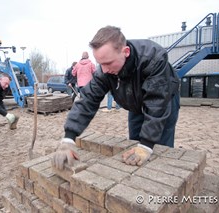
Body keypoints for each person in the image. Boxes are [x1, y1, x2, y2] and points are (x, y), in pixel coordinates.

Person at [52, 26, 180, 169]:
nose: (104, 70)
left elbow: (157, 102)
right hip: (134, 102)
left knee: (157, 149)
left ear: (125, 52)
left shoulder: (154, 58)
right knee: (135, 145)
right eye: (100, 64)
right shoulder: (104, 71)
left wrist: (147, 145)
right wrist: (69, 138)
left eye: (108, 63)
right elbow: (87, 100)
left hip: (163, 101)